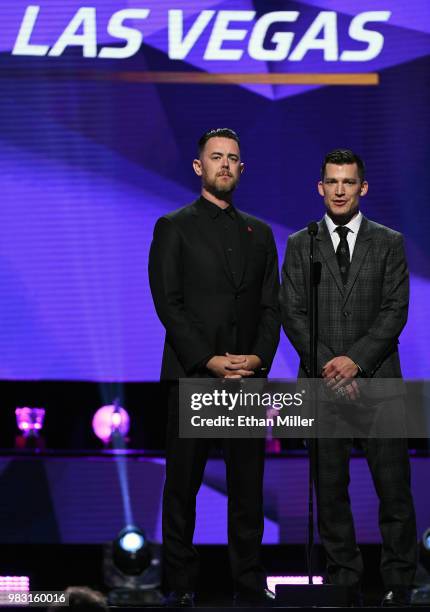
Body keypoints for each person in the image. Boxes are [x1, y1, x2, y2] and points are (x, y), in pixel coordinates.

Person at [279, 149, 417, 606]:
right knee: (331, 491)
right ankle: (343, 580)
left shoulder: (389, 241)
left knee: (394, 490)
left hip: (378, 382)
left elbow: (395, 309)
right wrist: (328, 366)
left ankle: (399, 580)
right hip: (321, 386)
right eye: (332, 182)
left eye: (349, 182)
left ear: (363, 188)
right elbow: (292, 312)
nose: (340, 190)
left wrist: (355, 361)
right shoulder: (302, 242)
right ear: (320, 187)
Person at [148, 128, 280, 606]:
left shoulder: (261, 234)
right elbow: (169, 303)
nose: (225, 164)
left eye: (233, 159)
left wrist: (259, 357)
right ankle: (180, 585)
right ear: (198, 167)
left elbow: (271, 307)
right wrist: (209, 358)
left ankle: (247, 582)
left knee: (247, 490)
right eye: (216, 157)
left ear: (241, 170)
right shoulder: (173, 226)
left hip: (245, 380)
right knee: (183, 488)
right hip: (194, 376)